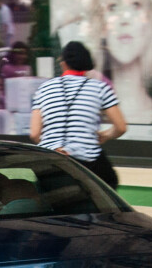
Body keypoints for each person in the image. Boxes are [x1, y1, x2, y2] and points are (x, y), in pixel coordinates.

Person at [29, 41, 127, 189]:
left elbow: (35, 133)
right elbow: (121, 127)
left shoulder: (44, 88)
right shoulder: (100, 88)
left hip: (50, 161)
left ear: (63, 63)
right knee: (109, 181)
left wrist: (53, 144)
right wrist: (106, 135)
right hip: (87, 163)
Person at [90, 0, 152, 125]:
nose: (124, 19)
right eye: (113, 6)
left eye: (135, 4)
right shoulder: (87, 111)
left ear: (149, 18)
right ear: (101, 20)